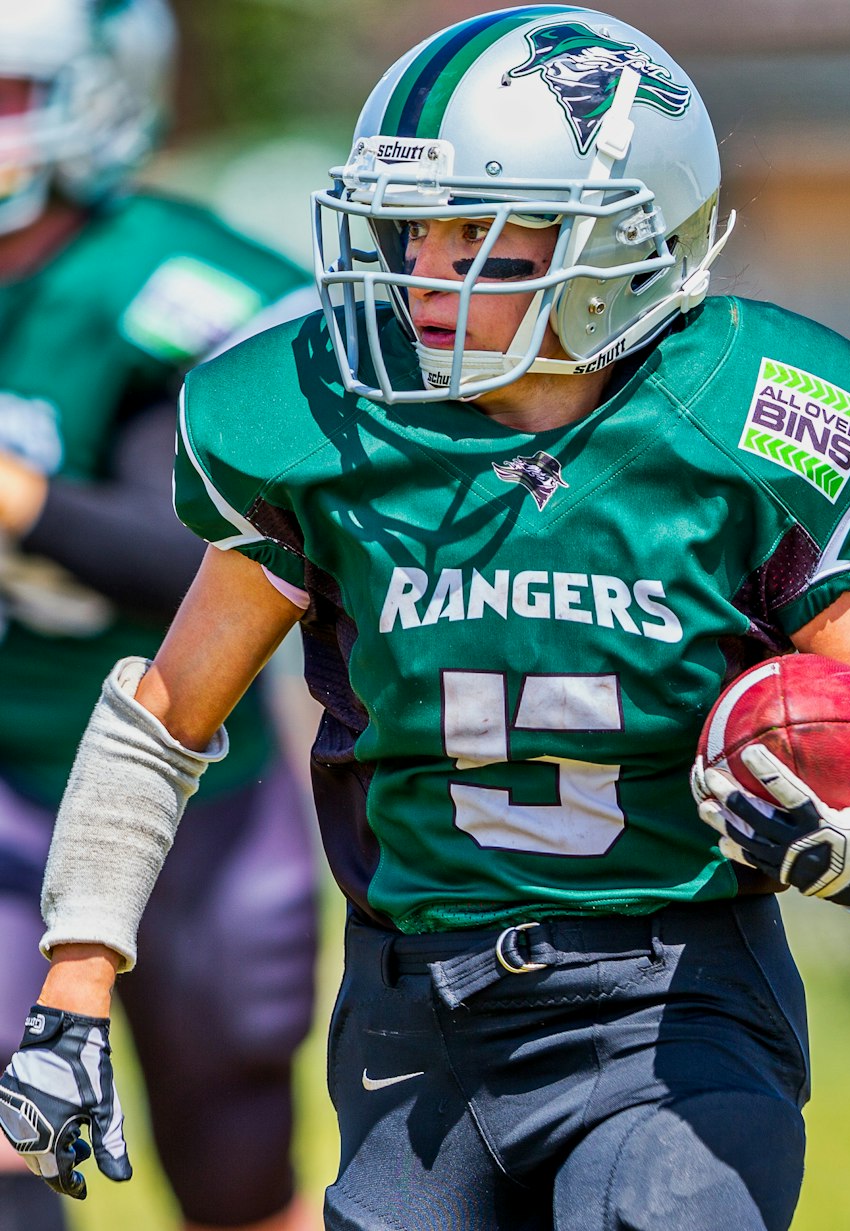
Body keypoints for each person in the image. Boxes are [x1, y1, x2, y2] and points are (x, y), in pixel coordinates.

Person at [3, 6, 850, 1229]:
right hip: (417, 1021)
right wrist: (72, 991)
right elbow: (163, 722)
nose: (427, 271)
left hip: (671, 1004)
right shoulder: (331, 430)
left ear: (631, 241)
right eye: (417, 228)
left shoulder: (735, 425)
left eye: (485, 235)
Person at [0, 3, 319, 1231]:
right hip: (0, 772)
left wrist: (21, 498)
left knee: (235, 1168)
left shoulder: (177, 279)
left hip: (185, 794)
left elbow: (218, 561)